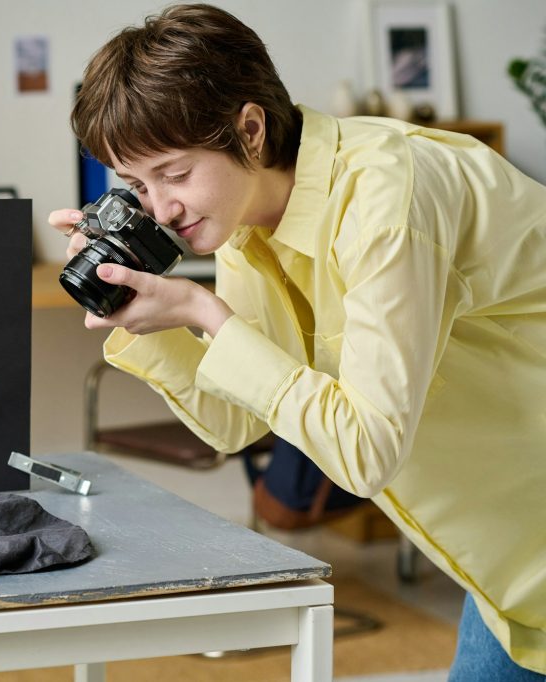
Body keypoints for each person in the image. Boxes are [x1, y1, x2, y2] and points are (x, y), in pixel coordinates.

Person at [49, 4, 546, 679]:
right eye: (137, 185)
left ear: (250, 129)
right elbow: (233, 421)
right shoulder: (243, 222)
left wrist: (211, 315)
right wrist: (147, 319)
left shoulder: (385, 197)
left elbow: (366, 451)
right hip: (509, 565)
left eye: (174, 173)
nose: (159, 210)